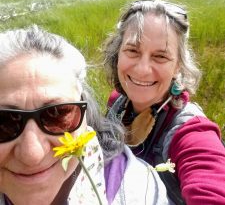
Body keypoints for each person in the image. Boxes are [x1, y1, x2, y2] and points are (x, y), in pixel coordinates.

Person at [0, 25, 170, 205]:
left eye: (56, 114)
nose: (32, 154)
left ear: (86, 113)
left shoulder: (139, 191)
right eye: (3, 122)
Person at [103, 0, 225, 205]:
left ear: (178, 65)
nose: (142, 69)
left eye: (160, 57)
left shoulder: (192, 133)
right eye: (132, 51)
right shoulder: (117, 104)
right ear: (118, 53)